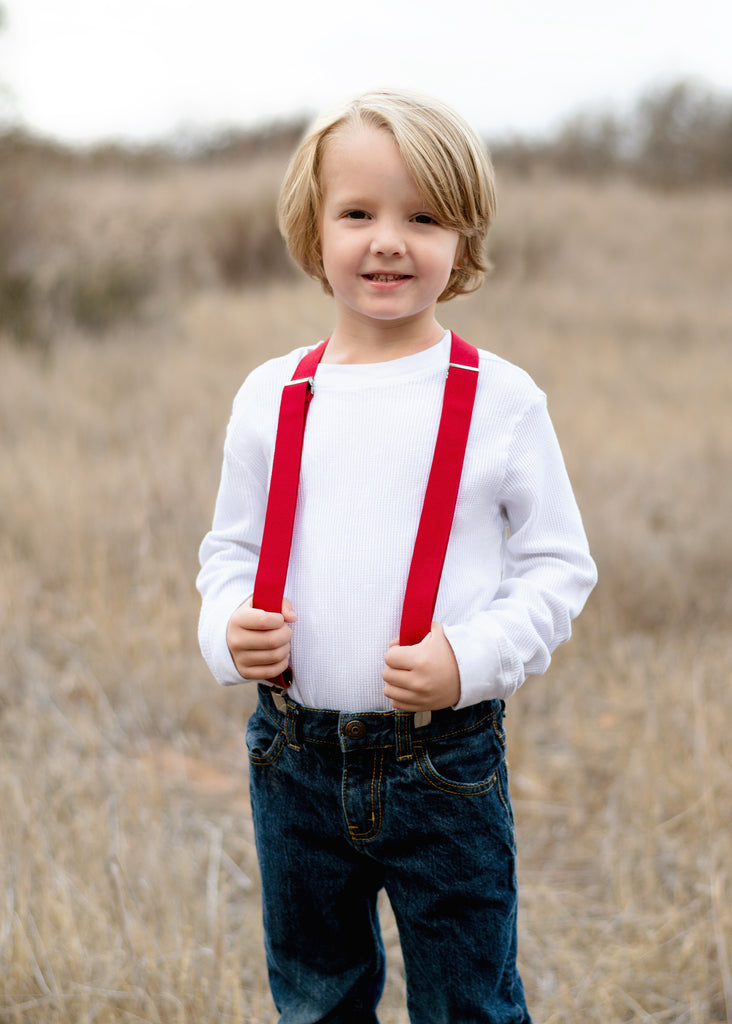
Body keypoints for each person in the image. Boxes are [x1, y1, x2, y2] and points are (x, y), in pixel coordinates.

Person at [197, 89, 597, 1024]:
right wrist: (227, 628)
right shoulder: (273, 396)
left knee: (470, 1002)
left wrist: (472, 657)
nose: (389, 240)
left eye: (423, 217)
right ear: (313, 229)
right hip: (292, 757)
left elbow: (557, 567)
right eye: (359, 213)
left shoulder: (499, 400)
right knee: (317, 993)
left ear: (462, 238)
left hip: (444, 767)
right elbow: (231, 547)